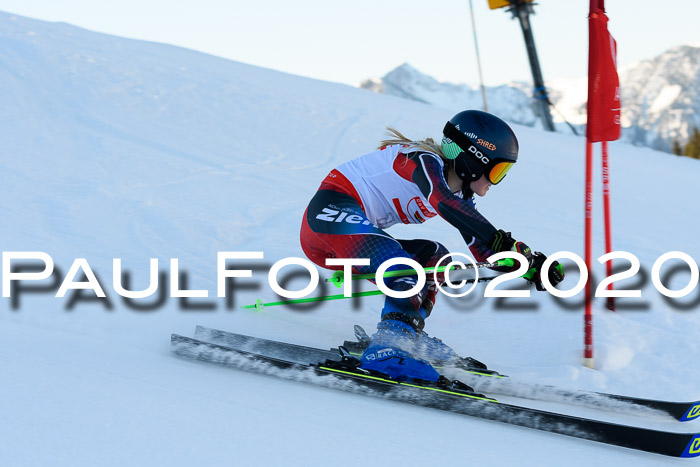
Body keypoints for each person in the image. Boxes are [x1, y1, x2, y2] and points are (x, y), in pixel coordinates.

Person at [300, 110, 564, 382]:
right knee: (402, 269)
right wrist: (507, 244)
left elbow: (482, 247)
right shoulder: (423, 161)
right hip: (327, 219)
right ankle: (386, 352)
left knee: (435, 259)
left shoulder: (460, 194)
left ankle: (405, 334)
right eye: (497, 171)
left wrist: (529, 264)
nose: (495, 182)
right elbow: (443, 202)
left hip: (348, 239)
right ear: (473, 160)